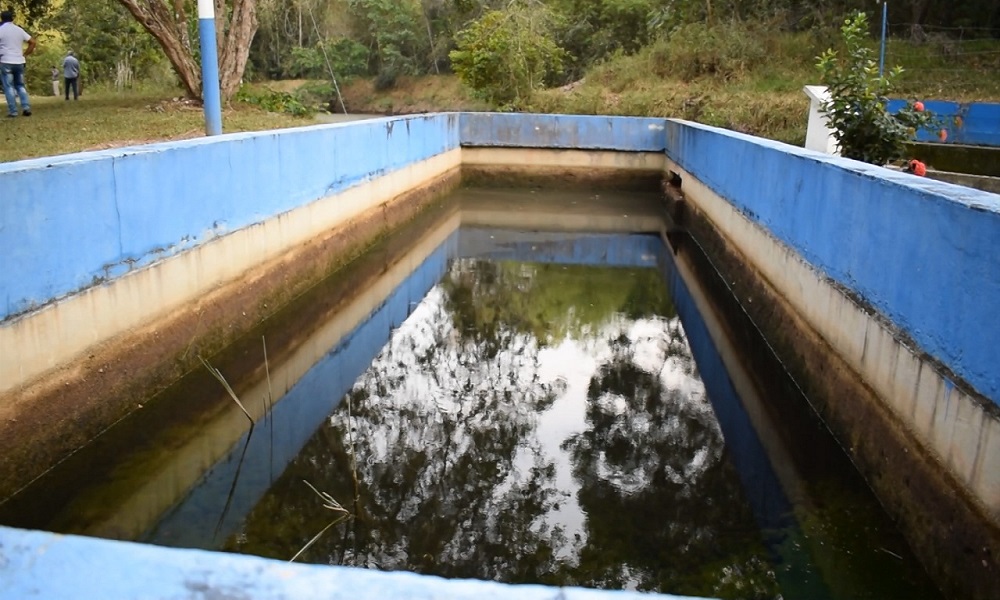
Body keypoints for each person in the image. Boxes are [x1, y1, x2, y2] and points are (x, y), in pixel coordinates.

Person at [0, 10, 35, 117]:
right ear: (12, 18)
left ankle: (13, 111)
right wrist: (25, 54)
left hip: (6, 61)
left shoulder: (1, 30)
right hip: (19, 61)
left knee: (9, 87)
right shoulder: (19, 30)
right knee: (20, 85)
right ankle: (26, 107)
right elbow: (33, 42)